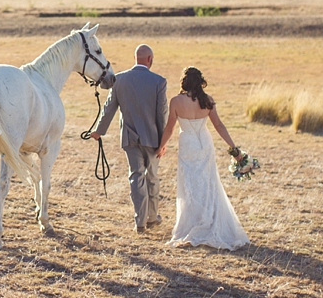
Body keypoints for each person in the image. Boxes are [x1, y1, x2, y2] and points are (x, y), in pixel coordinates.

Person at [156, 66, 249, 250]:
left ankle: (194, 222)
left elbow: (170, 128)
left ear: (184, 82)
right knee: (208, 182)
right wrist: (234, 148)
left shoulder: (176, 101)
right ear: (200, 82)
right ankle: (209, 218)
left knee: (190, 183)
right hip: (204, 144)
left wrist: (161, 146)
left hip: (188, 144)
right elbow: (219, 126)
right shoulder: (208, 101)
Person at [90, 44, 168, 233]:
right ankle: (152, 217)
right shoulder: (159, 81)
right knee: (152, 178)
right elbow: (161, 114)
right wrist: (163, 142)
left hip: (129, 138)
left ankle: (139, 221)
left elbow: (109, 108)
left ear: (136, 58)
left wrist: (99, 131)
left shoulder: (120, 80)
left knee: (136, 177)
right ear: (150, 59)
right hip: (153, 139)